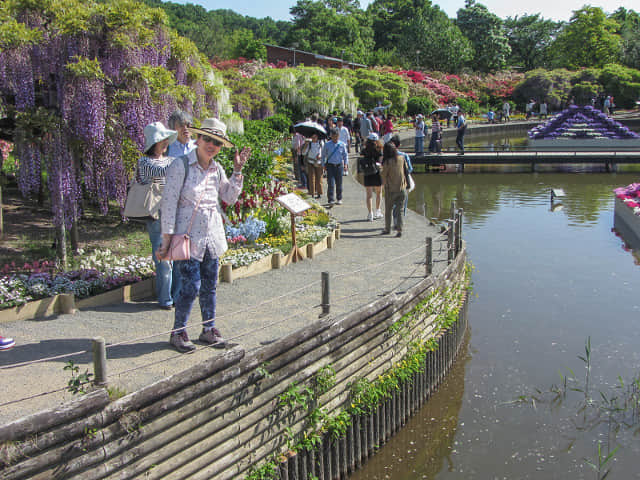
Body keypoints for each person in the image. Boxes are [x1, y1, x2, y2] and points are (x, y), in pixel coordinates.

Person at [158, 117, 250, 353]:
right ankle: (178, 331)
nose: (211, 145)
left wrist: (237, 170)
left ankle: (208, 329)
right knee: (191, 286)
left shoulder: (217, 168)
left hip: (211, 237)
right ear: (198, 139)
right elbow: (168, 205)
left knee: (210, 285)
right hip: (187, 237)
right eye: (207, 139)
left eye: (217, 143)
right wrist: (166, 239)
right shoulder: (180, 166)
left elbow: (228, 197)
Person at [138, 122, 181, 310]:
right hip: (156, 215)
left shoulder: (171, 160)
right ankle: (165, 299)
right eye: (161, 140)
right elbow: (160, 173)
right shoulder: (145, 162)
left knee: (178, 258)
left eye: (165, 140)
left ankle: (177, 295)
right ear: (153, 143)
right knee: (164, 261)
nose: (165, 143)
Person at [380, 141, 407, 238]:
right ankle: (400, 229)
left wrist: (380, 169)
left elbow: (383, 176)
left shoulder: (387, 162)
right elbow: (405, 170)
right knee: (399, 210)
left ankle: (387, 229)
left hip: (391, 189)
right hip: (402, 188)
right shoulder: (401, 158)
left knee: (388, 210)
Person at [359, 133, 384, 221]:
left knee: (369, 195)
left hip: (367, 173)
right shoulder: (379, 149)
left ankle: (370, 214)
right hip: (377, 173)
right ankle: (378, 211)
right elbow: (381, 162)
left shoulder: (364, 149)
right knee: (379, 193)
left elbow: (361, 160)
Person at [322, 128, 348, 205]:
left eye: (336, 136)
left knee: (339, 183)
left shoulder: (342, 144)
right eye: (334, 136)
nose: (335, 138)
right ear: (331, 136)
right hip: (330, 166)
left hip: (339, 165)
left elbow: (345, 155)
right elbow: (323, 155)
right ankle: (330, 199)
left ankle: (339, 198)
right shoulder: (327, 144)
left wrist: (345, 164)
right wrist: (323, 165)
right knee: (331, 183)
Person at [390, 134, 412, 218]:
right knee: (402, 202)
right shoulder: (404, 155)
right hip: (403, 182)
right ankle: (401, 218)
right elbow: (410, 169)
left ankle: (395, 218)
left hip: (391, 182)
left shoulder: (388, 155)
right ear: (399, 145)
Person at [301, 133, 324, 199]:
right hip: (310, 162)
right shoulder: (309, 144)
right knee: (311, 178)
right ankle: (312, 193)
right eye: (312, 137)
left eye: (315, 137)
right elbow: (303, 153)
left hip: (318, 162)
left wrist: (320, 156)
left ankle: (319, 193)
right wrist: (306, 144)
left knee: (319, 178)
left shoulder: (320, 143)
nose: (313, 139)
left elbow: (323, 151)